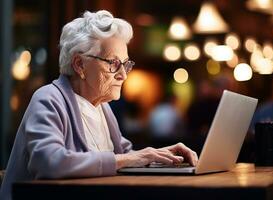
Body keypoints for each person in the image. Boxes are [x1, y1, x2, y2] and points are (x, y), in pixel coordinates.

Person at [0, 10, 197, 200]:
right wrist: (129, 159)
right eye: (113, 63)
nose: (123, 75)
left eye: (126, 64)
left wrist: (161, 156)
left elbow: (125, 155)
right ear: (79, 65)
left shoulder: (103, 106)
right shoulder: (48, 99)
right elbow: (49, 162)